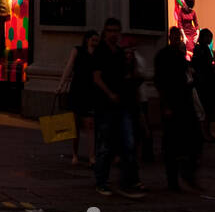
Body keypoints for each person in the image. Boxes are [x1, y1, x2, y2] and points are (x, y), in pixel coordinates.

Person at [91, 17, 144, 198]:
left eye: (116, 31)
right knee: (105, 145)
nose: (114, 34)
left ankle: (129, 180)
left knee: (128, 143)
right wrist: (109, 94)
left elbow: (127, 76)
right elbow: (96, 77)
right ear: (105, 32)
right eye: (110, 30)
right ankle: (101, 182)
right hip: (105, 106)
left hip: (122, 105)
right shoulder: (100, 52)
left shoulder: (120, 53)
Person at [154, 26, 202, 192]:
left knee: (183, 143)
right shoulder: (167, 57)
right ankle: (176, 180)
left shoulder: (177, 57)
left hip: (181, 103)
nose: (177, 40)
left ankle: (181, 178)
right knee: (174, 144)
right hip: (175, 104)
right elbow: (161, 82)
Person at [57, 30, 98, 165]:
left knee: (90, 125)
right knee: (75, 125)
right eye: (93, 40)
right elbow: (69, 67)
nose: (95, 43)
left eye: (96, 40)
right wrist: (61, 85)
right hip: (77, 90)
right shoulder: (77, 50)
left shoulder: (97, 54)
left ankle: (92, 156)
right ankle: (75, 153)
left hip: (91, 92)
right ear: (87, 40)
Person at [191, 28, 215, 143]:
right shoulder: (201, 50)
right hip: (204, 84)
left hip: (204, 83)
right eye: (208, 37)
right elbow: (203, 66)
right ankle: (205, 133)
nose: (210, 39)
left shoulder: (202, 49)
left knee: (205, 110)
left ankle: (204, 133)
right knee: (205, 110)